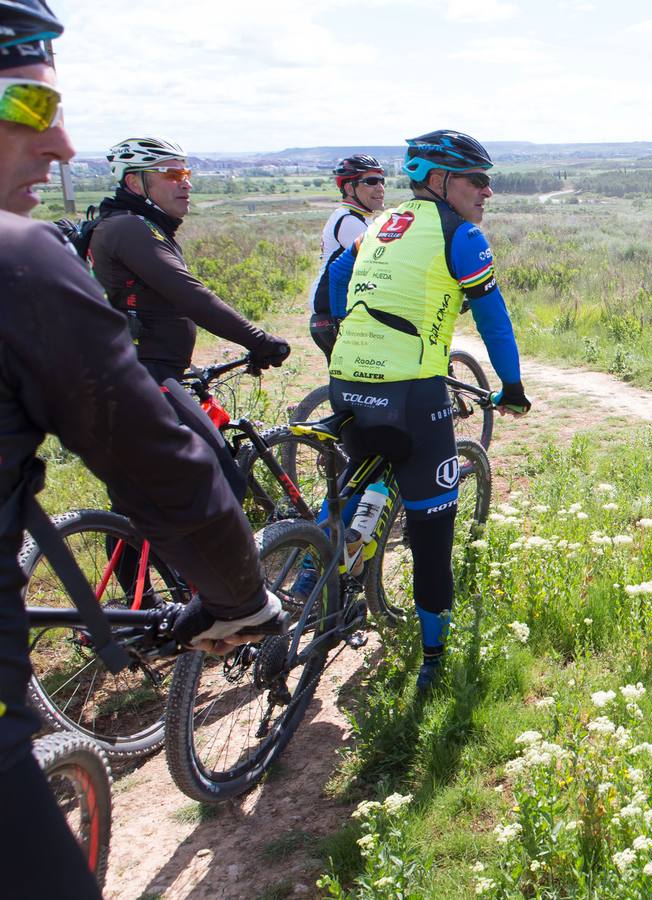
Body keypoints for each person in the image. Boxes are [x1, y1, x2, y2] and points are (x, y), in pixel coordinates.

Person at [0, 4, 280, 896]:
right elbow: (189, 304)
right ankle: (210, 597)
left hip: (149, 374)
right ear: (138, 181)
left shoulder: (124, 227)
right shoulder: (78, 241)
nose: (60, 144)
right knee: (211, 474)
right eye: (33, 110)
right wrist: (242, 592)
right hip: (150, 382)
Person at [327, 129, 529, 691]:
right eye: (476, 180)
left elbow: (336, 280)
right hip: (412, 395)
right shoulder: (459, 234)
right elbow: (494, 321)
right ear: (438, 181)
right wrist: (511, 387)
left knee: (358, 478)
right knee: (432, 529)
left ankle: (321, 580)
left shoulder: (380, 225)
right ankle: (433, 661)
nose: (487, 192)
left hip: (347, 378)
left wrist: (342, 331)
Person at [87, 135, 290, 383]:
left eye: (186, 174)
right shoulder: (129, 229)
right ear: (134, 182)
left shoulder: (144, 226)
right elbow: (190, 296)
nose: (185, 184)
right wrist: (260, 341)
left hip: (156, 370)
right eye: (172, 175)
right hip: (140, 377)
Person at [307, 154, 385, 359]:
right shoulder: (348, 220)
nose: (380, 187)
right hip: (331, 312)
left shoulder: (359, 219)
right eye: (371, 181)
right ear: (349, 189)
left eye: (382, 180)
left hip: (340, 309)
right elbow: (383, 262)